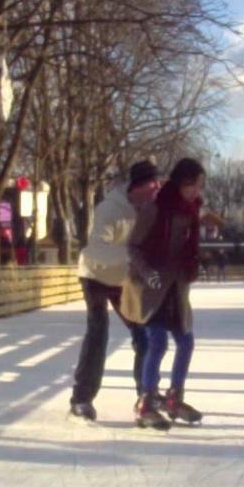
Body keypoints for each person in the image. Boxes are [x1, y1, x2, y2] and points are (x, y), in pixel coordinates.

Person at [69, 160, 161, 421]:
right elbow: (96, 250)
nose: (157, 188)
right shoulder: (109, 209)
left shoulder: (150, 209)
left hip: (123, 281)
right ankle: (81, 398)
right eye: (153, 183)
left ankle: (146, 396)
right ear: (138, 185)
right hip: (95, 275)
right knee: (98, 332)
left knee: (144, 335)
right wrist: (131, 256)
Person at [121, 157, 206, 430]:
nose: (197, 191)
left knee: (186, 341)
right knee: (157, 343)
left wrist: (192, 265)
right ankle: (146, 402)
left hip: (176, 287)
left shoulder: (192, 212)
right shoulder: (154, 209)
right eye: (194, 185)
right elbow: (132, 246)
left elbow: (186, 249)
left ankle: (174, 398)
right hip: (152, 287)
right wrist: (148, 272)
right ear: (182, 183)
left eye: (201, 186)